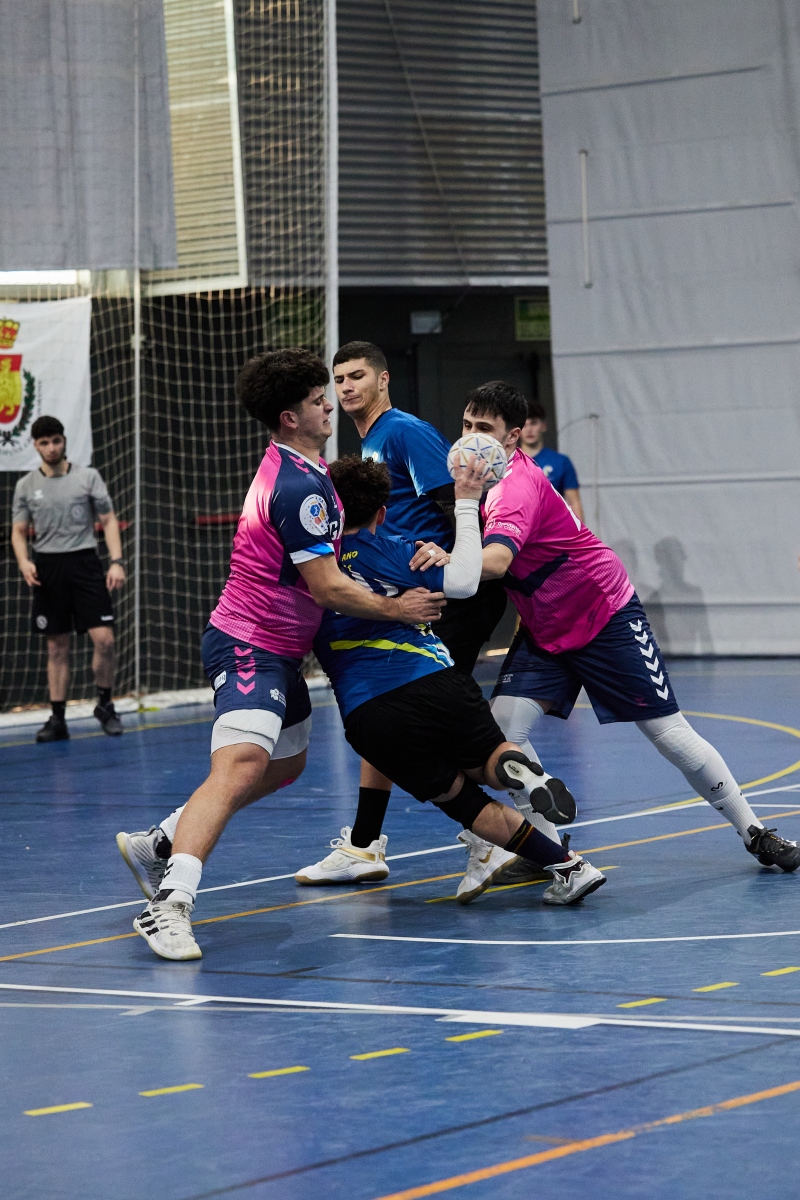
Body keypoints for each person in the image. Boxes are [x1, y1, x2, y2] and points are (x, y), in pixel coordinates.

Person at [115, 349, 444, 961]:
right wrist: (400, 608)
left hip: (281, 651)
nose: (330, 406)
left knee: (285, 765)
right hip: (249, 644)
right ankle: (169, 905)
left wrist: (419, 550)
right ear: (291, 418)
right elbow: (328, 588)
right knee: (241, 764)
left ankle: (157, 842)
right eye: (320, 400)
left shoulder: (307, 472)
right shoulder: (298, 486)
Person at [462, 380, 800, 878]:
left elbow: (493, 563)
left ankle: (755, 832)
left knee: (668, 734)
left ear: (513, 437)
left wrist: (439, 561)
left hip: (603, 615)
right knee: (503, 730)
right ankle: (548, 849)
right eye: (466, 425)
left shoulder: (513, 488)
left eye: (484, 429)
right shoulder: (477, 479)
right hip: (546, 627)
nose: (471, 439)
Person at [296, 454, 605, 906]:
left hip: (372, 709)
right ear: (381, 513)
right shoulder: (403, 550)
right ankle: (518, 771)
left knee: (465, 802)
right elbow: (464, 582)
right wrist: (462, 510)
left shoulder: (309, 569)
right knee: (489, 760)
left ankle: (571, 868)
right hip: (439, 680)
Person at [322, 340, 507, 875]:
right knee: (383, 715)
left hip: (440, 597)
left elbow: (458, 500)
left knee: (422, 721)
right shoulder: (369, 443)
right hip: (411, 598)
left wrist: (454, 564)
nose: (347, 386)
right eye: (339, 379)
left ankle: (490, 840)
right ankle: (365, 844)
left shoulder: (404, 431)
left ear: (383, 379)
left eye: (357, 376)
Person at [10, 415, 125, 742]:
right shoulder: (26, 486)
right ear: (35, 446)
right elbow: (18, 531)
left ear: (64, 441)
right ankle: (58, 719)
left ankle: (105, 705)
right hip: (48, 568)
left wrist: (116, 562)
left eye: (56, 441)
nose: (51, 448)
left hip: (85, 563)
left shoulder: (88, 477)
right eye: (44, 443)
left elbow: (109, 519)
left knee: (105, 640)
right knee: (57, 647)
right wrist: (24, 562)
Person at [520, 400, 583, 522]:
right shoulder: (507, 462)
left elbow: (574, 502)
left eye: (533, 423)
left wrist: (579, 533)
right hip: (518, 527)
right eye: (524, 425)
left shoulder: (561, 462)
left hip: (552, 527)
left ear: (543, 426)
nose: (529, 429)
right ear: (517, 430)